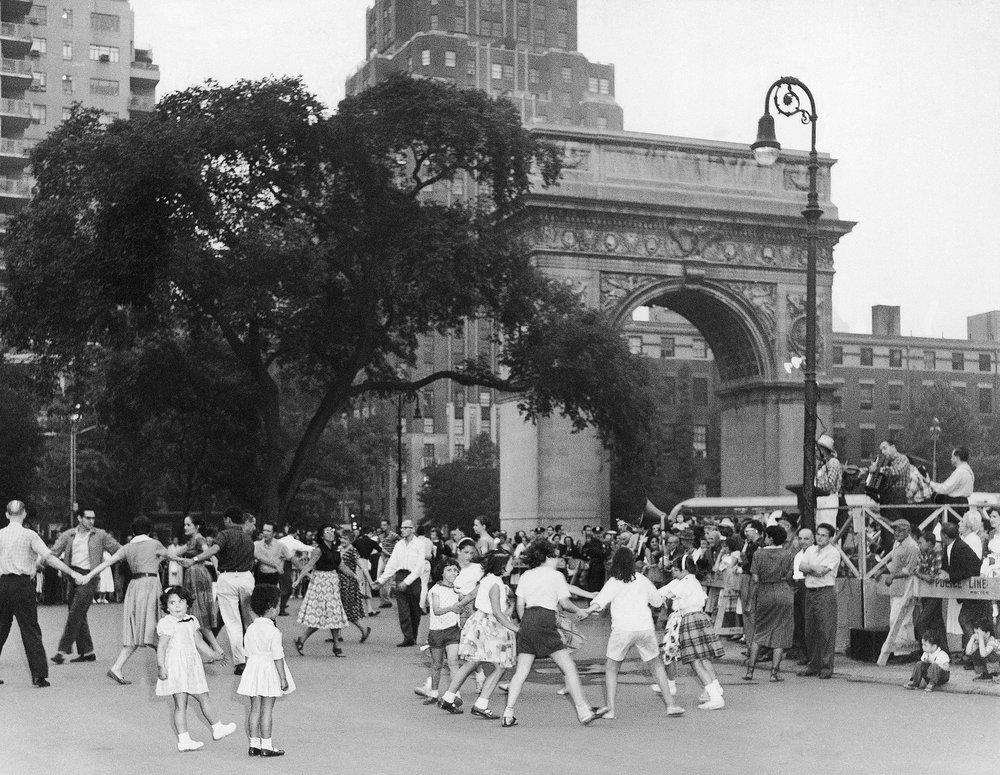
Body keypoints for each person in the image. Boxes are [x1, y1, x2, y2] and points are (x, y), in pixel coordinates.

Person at [498, 541, 609, 727]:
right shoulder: (556, 576)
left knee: (521, 671)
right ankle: (583, 710)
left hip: (528, 619)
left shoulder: (526, 575)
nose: (558, 560)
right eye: (555, 556)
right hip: (546, 618)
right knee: (569, 667)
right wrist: (580, 611)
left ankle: (508, 713)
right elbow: (565, 604)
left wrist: (526, 624)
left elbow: (519, 605)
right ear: (547, 557)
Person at [81, 515, 185, 684]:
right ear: (150, 529)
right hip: (150, 585)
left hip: (134, 587)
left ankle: (117, 668)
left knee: (138, 630)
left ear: (133, 530)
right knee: (156, 629)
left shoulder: (128, 547)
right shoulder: (154, 544)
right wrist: (189, 559)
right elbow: (173, 556)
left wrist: (89, 575)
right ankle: (169, 668)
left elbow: (106, 563)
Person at [586, 547, 685, 719]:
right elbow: (656, 601)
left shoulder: (613, 582)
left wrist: (585, 611)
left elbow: (599, 603)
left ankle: (611, 709)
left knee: (612, 668)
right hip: (645, 627)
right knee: (656, 665)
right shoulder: (641, 579)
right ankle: (671, 704)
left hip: (623, 629)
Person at [0, 500, 85, 687]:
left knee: (0, 628)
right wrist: (71, 573)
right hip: (22, 585)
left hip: (3, 584)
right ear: (24, 514)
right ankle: (39, 675)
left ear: (7, 515)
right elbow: (49, 558)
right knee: (30, 630)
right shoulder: (30, 535)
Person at [155, 586, 236, 751]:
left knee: (204, 697)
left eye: (181, 601)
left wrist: (213, 654)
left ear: (187, 603)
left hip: (192, 665)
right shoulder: (166, 623)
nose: (177, 606)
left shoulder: (192, 620)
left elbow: (198, 642)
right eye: (172, 602)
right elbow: (161, 647)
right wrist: (161, 666)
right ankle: (184, 739)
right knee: (181, 704)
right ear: (166, 606)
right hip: (176, 667)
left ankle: (217, 727)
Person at [438, 551, 518, 719]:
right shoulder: (496, 584)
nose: (513, 565)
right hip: (492, 627)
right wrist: (516, 629)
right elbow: (497, 612)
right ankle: (481, 703)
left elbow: (471, 595)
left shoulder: (486, 580)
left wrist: (458, 605)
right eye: (511, 563)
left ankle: (448, 697)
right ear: (502, 567)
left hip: (478, 623)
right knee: (501, 665)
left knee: (471, 662)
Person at [184, 507, 255, 674]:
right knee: (249, 621)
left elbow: (214, 550)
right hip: (246, 577)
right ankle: (254, 656)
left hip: (228, 578)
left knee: (233, 623)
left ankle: (240, 662)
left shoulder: (224, 535)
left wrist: (194, 559)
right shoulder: (248, 538)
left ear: (228, 520)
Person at [49, 509, 122, 665]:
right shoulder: (68, 535)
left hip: (90, 577)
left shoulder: (100, 535)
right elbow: (53, 553)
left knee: (75, 613)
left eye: (93, 518)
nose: (92, 521)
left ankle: (61, 651)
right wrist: (38, 564)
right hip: (72, 576)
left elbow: (119, 550)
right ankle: (87, 652)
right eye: (88, 518)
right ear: (79, 518)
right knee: (78, 614)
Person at [659, 556, 726, 710]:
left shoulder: (685, 582)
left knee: (695, 661)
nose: (674, 574)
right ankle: (715, 689)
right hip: (700, 616)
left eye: (676, 570)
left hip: (690, 618)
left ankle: (715, 697)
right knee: (702, 658)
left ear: (684, 570)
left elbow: (664, 594)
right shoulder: (692, 580)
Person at [237, 585, 295, 758]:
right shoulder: (273, 631)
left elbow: (247, 654)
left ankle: (253, 745)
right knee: (267, 710)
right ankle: (267, 745)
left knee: (254, 709)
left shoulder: (250, 629)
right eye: (278, 605)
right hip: (269, 671)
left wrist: (249, 673)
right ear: (271, 608)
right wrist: (283, 678)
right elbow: (278, 656)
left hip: (253, 670)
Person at [744, 525, 794, 682]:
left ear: (770, 538)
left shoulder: (758, 554)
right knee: (781, 632)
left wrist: (750, 602)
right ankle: (774, 673)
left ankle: (750, 671)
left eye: (766, 536)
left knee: (759, 632)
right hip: (783, 592)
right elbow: (789, 574)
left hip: (765, 592)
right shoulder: (787, 553)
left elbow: (755, 579)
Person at [292, 525, 350, 656]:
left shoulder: (335, 549)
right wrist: (298, 580)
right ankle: (303, 639)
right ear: (322, 535)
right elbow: (309, 565)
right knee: (320, 616)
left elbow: (342, 566)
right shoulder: (319, 550)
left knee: (334, 614)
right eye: (327, 532)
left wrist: (356, 577)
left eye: (332, 531)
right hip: (320, 584)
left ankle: (335, 645)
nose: (330, 533)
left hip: (332, 583)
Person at [175, 515, 225, 660]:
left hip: (198, 576)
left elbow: (209, 553)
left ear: (196, 526)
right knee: (195, 615)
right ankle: (212, 651)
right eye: (185, 525)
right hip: (193, 575)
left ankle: (215, 650)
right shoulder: (192, 540)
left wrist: (216, 568)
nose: (185, 527)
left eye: (188, 525)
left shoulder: (199, 539)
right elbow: (175, 554)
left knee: (197, 614)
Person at [373, 519, 427, 647]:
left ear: (412, 529)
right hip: (400, 575)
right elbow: (392, 564)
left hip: (413, 578)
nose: (402, 530)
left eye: (405, 527)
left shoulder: (419, 544)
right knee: (403, 610)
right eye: (401, 528)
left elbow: (420, 566)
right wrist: (381, 580)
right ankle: (407, 637)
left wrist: (407, 582)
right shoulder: (399, 545)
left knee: (414, 610)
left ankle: (413, 635)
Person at [938, 522, 987, 662]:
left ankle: (974, 655)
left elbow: (972, 570)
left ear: (945, 536)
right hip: (966, 593)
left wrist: (950, 576)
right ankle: (970, 654)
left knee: (965, 619)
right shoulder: (949, 547)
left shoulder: (961, 548)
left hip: (975, 591)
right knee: (966, 620)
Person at [797, 523, 841, 679]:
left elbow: (822, 572)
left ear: (830, 537)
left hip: (825, 592)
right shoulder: (810, 550)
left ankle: (826, 667)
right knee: (810, 631)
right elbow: (801, 567)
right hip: (810, 592)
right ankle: (813, 665)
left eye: (824, 535)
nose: (820, 537)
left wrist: (811, 568)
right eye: (818, 534)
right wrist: (813, 568)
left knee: (825, 631)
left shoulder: (833, 553)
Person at [878, 519, 921, 664]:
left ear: (908, 531)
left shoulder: (912, 546)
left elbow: (909, 569)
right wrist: (882, 570)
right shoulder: (897, 543)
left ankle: (901, 651)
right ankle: (906, 649)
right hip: (896, 584)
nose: (897, 533)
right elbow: (894, 562)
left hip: (907, 584)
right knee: (901, 619)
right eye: (895, 530)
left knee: (899, 618)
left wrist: (893, 575)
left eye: (900, 530)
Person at [424, 558, 462, 704]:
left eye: (455, 570)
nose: (453, 573)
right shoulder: (435, 590)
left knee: (453, 662)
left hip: (453, 630)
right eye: (449, 570)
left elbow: (466, 602)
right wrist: (452, 608)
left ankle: (454, 694)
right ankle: (434, 693)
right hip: (437, 631)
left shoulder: (458, 589)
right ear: (441, 572)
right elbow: (437, 610)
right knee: (437, 664)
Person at [337, 530, 372, 644]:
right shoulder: (340, 549)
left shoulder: (352, 550)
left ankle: (364, 629)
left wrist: (370, 581)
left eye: (345, 539)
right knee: (338, 608)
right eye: (341, 538)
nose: (342, 540)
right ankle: (337, 635)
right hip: (339, 582)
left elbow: (362, 566)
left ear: (351, 540)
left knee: (348, 610)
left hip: (349, 583)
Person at [913, 529, 944, 643]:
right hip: (926, 593)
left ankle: (925, 650)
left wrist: (920, 574)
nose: (919, 545)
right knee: (936, 623)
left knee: (921, 623)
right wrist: (921, 574)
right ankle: (942, 652)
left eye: (921, 543)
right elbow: (917, 569)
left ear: (929, 543)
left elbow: (931, 576)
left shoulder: (937, 552)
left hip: (935, 594)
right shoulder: (922, 553)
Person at [791, 528, 814, 665]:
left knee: (808, 622)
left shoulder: (815, 553)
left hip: (808, 585)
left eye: (806, 539)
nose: (802, 542)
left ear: (812, 540)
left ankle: (812, 655)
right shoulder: (798, 554)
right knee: (799, 622)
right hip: (797, 586)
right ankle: (805, 653)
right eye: (800, 538)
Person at [929, 447, 974, 515]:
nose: (951, 459)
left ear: (957, 458)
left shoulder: (959, 472)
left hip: (954, 505)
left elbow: (945, 488)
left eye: (952, 457)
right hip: (964, 504)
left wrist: (929, 483)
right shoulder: (969, 471)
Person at [254, 522, 293, 589]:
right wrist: (275, 565)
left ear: (274, 533)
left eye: (268, 531)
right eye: (264, 530)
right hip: (259, 578)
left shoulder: (281, 546)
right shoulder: (256, 545)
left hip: (274, 578)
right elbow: (259, 557)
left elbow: (290, 558)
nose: (265, 533)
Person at [965, 618, 1000, 682]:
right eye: (975, 633)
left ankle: (997, 675)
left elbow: (984, 654)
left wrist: (981, 638)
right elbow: (968, 652)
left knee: (989, 654)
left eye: (979, 633)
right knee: (976, 652)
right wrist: (972, 638)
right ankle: (986, 674)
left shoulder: (992, 642)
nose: (977, 635)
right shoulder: (980, 642)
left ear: (987, 634)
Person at [376, 519, 400, 610]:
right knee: (381, 579)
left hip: (390, 559)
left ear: (389, 526)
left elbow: (402, 542)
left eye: (385, 525)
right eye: (382, 525)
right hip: (383, 558)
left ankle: (387, 600)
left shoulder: (393, 535)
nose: (383, 527)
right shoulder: (380, 536)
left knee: (389, 579)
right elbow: (378, 546)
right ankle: (384, 600)